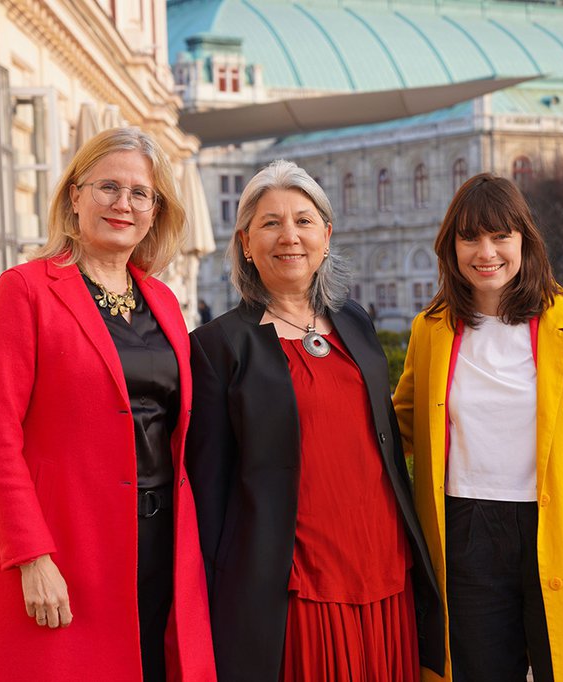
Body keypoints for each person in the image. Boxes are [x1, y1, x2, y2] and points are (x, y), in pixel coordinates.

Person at [0, 127, 215, 681]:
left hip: (161, 545)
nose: (122, 204)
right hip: (67, 546)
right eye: (107, 186)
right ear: (74, 196)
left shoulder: (164, 301)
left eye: (139, 193)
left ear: (156, 211)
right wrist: (30, 556)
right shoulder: (26, 291)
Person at [188, 159, 444, 682]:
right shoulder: (217, 347)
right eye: (271, 222)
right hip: (296, 576)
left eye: (304, 221)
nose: (290, 236)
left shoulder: (355, 321)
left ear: (326, 235)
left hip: (384, 560)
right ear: (245, 242)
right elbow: (208, 490)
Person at [393, 173, 563, 681]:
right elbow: (399, 429)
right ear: (451, 246)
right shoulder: (431, 329)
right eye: (470, 238)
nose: (486, 252)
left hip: (556, 534)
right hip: (465, 532)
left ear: (524, 240)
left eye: (500, 236)